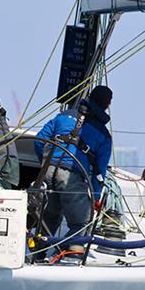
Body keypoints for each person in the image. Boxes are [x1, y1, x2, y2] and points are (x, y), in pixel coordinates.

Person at [34, 86, 113, 254]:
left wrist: (45, 163)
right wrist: (96, 197)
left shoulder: (62, 117)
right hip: (71, 177)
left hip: (48, 172)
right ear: (107, 104)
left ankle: (37, 255)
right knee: (81, 224)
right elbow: (99, 172)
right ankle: (62, 254)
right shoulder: (104, 135)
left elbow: (39, 141)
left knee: (49, 217)